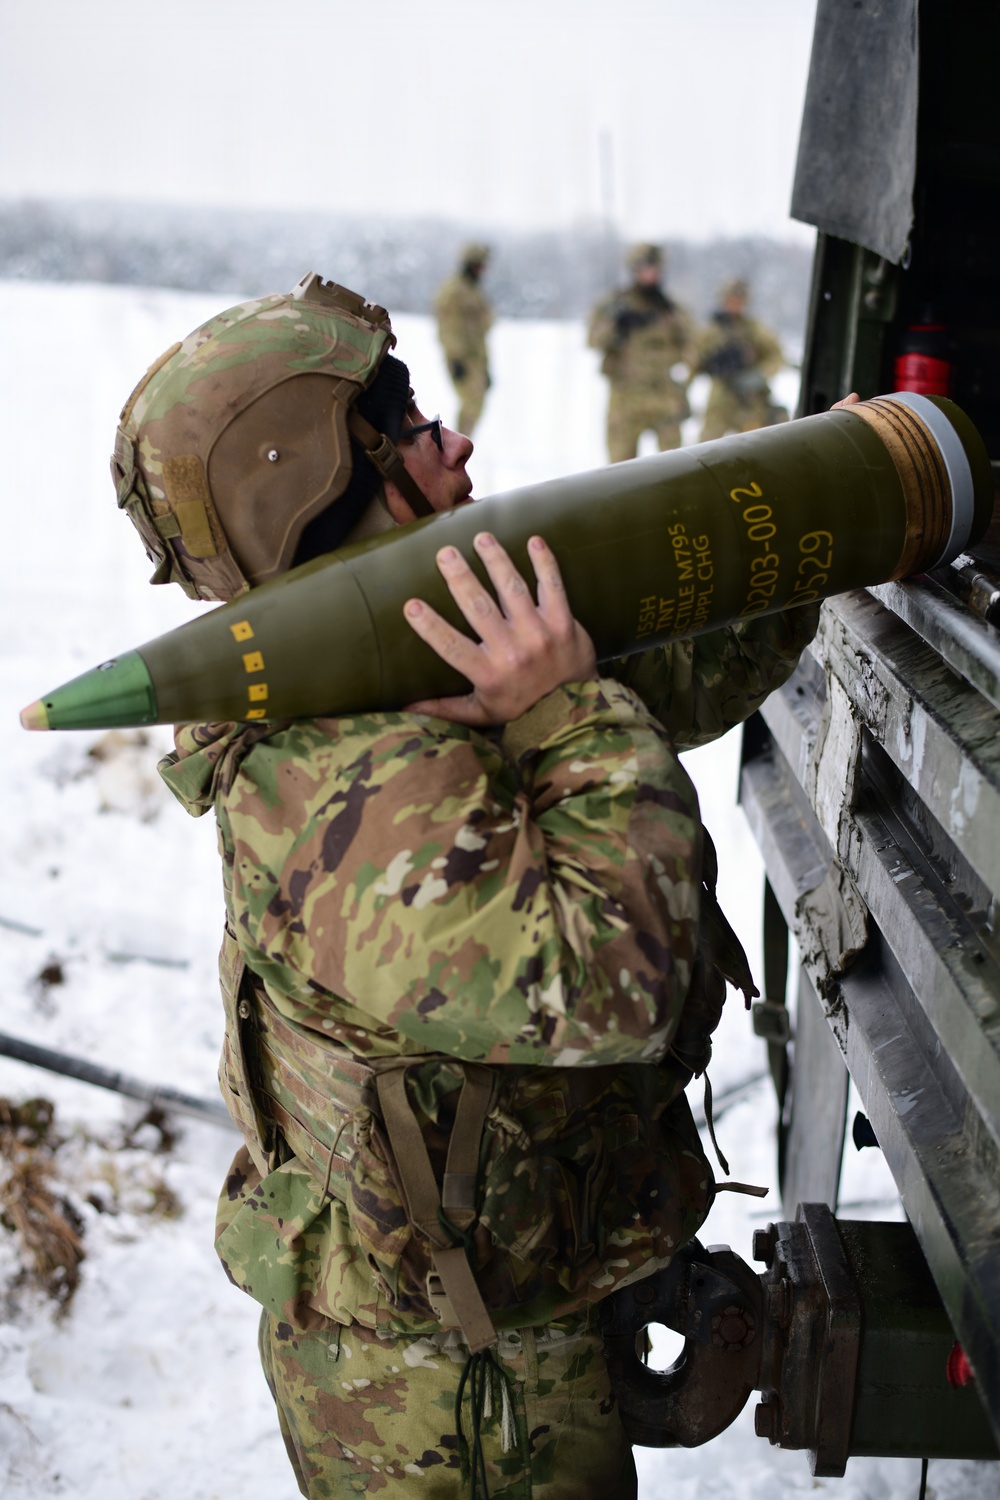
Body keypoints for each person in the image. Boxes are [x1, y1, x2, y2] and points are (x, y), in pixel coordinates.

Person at [111, 271, 819, 1499]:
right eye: (418, 425)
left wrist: (839, 513)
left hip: (499, 1312)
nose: (460, 441)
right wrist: (562, 703)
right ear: (328, 476)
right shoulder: (343, 779)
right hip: (450, 1404)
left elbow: (662, 676)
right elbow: (617, 982)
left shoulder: (411, 656)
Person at [587, 242, 697, 463]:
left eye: (654, 268)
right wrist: (616, 323)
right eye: (645, 268)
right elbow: (593, 341)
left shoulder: (670, 308)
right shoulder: (615, 305)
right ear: (634, 270)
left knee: (674, 468)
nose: (650, 274)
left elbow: (693, 348)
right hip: (626, 398)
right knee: (620, 472)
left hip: (664, 397)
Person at [696, 277, 787, 441]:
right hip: (721, 396)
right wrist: (712, 363)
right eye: (731, 299)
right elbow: (694, 358)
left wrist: (759, 374)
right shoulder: (712, 330)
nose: (735, 304)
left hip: (748, 398)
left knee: (754, 444)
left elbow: (777, 356)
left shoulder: (754, 329)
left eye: (739, 299)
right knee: (706, 445)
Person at [434, 242, 494, 436]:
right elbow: (448, 327)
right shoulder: (454, 291)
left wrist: (485, 367)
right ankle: (455, 445)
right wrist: (456, 358)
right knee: (471, 404)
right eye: (478, 266)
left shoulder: (473, 291)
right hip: (462, 358)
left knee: (476, 404)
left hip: (476, 359)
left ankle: (460, 444)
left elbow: (482, 328)